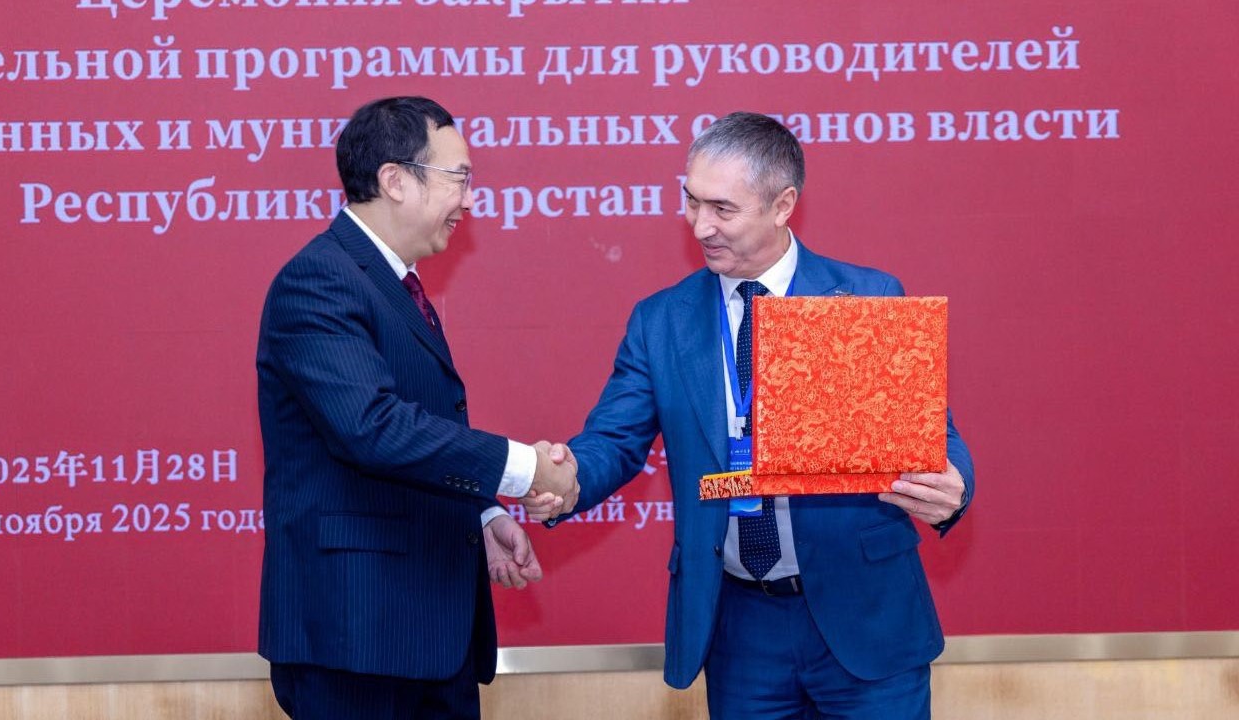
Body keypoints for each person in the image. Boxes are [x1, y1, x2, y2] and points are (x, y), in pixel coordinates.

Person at [531, 112, 974, 719]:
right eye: (691, 201)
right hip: (741, 629)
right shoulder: (662, 320)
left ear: (782, 205)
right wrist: (563, 477)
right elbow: (613, 441)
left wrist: (956, 485)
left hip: (864, 612)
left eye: (722, 208)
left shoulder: (864, 296)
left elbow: (933, 434)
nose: (700, 225)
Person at [256, 96, 578, 720]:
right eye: (458, 178)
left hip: (427, 634)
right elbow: (372, 429)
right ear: (395, 180)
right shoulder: (319, 281)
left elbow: (418, 432)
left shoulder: (392, 283)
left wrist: (482, 513)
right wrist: (524, 469)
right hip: (358, 641)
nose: (469, 201)